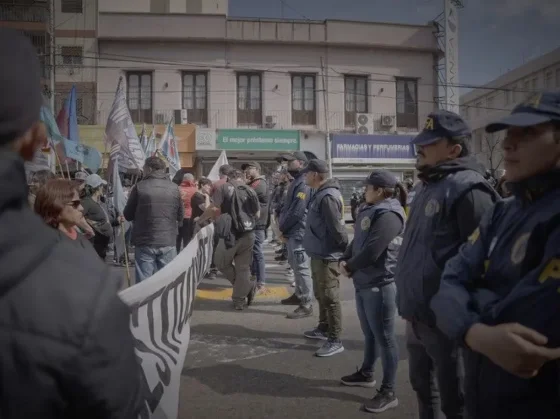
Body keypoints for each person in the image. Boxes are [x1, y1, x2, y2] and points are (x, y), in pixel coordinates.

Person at [0, 27, 142, 418]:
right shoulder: (81, 288)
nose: (81, 206)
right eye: (75, 201)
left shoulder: (82, 277)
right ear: (34, 140)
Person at [430, 91, 560, 419]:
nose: (507, 145)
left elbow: (535, 323)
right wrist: (476, 333)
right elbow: (447, 283)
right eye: (509, 133)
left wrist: (470, 303)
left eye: (527, 133)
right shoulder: (501, 213)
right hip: (484, 392)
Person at [394, 110, 500, 419]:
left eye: (430, 143)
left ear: (454, 149)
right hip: (417, 313)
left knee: (456, 400)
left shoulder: (468, 189)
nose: (420, 148)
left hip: (446, 322)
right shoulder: (429, 185)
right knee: (422, 388)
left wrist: (463, 318)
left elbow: (486, 263)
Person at [340, 170, 407, 414]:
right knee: (370, 334)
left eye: (367, 187)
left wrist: (348, 266)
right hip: (364, 281)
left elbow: (373, 251)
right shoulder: (370, 209)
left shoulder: (389, 213)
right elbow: (358, 241)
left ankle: (389, 392)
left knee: (385, 338)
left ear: (379, 190)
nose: (364, 191)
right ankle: (367, 372)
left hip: (379, 284)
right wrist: (344, 259)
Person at [301, 159, 348, 357]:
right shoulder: (320, 193)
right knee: (321, 294)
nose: (304, 177)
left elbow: (338, 230)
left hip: (328, 255)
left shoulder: (327, 196)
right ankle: (323, 328)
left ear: (314, 175)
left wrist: (345, 254)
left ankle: (335, 339)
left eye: (306, 173)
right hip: (319, 253)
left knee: (330, 297)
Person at [198, 169, 260, 310]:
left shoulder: (224, 188)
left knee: (221, 263)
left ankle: (246, 288)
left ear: (228, 178)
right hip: (248, 233)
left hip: (230, 235)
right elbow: (257, 214)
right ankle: (239, 300)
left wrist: (201, 220)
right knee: (243, 269)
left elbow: (213, 208)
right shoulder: (250, 190)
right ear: (242, 177)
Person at [124, 156, 184, 282]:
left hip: (145, 240)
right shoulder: (174, 188)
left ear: (149, 169)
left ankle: (145, 302)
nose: (143, 171)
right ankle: (166, 302)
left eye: (144, 168)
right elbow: (180, 215)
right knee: (167, 281)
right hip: (168, 240)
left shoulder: (139, 186)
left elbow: (128, 215)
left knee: (144, 282)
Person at [278, 151, 314, 319]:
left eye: (289, 162)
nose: (286, 165)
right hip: (293, 230)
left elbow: (298, 211)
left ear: (300, 163)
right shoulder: (297, 181)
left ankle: (306, 303)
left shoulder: (304, 182)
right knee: (294, 263)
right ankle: (299, 294)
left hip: (299, 230)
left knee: (301, 267)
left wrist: (283, 227)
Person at [34, 179, 92, 245]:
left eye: (80, 203)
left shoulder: (76, 233)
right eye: (75, 204)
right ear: (55, 206)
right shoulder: (50, 246)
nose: (82, 208)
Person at [242, 161, 269, 293]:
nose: (246, 171)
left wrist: (243, 183)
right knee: (253, 253)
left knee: (258, 253)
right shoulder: (252, 183)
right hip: (253, 223)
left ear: (256, 169)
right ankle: (254, 280)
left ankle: (261, 283)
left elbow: (245, 195)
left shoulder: (260, 184)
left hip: (258, 224)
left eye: (249, 169)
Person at [81, 174, 113, 260]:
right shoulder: (86, 202)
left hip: (101, 245)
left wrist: (116, 220)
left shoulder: (97, 202)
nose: (103, 188)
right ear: (98, 188)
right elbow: (77, 217)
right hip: (94, 244)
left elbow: (103, 220)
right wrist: (88, 228)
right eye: (102, 186)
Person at [177, 172, 198, 252]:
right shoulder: (195, 190)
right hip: (190, 217)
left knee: (177, 238)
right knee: (187, 239)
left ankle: (176, 256)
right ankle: (186, 256)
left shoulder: (177, 189)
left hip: (177, 217)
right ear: (192, 180)